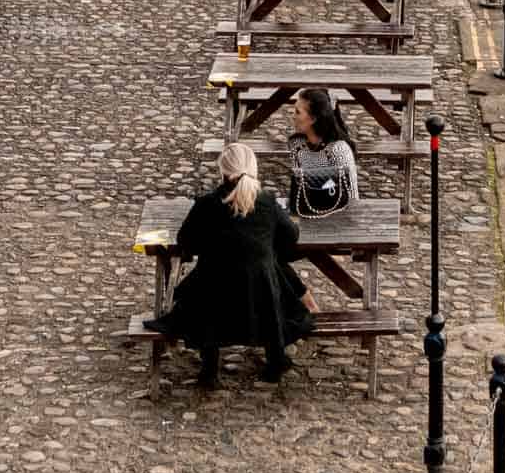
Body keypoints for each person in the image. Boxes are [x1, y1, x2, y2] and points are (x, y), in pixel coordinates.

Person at [142, 139, 312, 388]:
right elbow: (291, 236)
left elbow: (186, 242)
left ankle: (209, 369)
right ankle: (275, 361)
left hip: (215, 295)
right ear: (253, 169)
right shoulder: (267, 202)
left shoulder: (207, 204)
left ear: (222, 171)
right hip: (259, 296)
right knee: (269, 277)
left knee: (204, 287)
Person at [287, 87, 358, 214]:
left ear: (313, 119)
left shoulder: (338, 149)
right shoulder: (296, 145)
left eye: (297, 112)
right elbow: (299, 186)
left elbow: (352, 197)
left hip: (336, 214)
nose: (293, 116)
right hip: (307, 211)